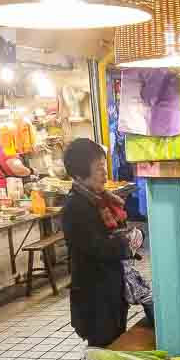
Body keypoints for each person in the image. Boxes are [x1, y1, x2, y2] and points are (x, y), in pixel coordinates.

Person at [62, 138, 130, 347]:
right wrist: (128, 243)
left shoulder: (101, 200)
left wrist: (128, 239)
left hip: (110, 292)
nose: (105, 173)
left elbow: (113, 236)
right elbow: (98, 248)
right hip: (95, 297)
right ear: (81, 173)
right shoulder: (76, 207)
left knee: (113, 346)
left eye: (104, 166)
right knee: (100, 352)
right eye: (99, 168)